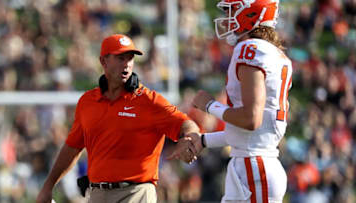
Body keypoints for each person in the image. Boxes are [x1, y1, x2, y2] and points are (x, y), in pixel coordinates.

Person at [36, 34, 199, 203]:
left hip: (137, 193)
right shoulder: (87, 102)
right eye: (121, 58)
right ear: (103, 62)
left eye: (130, 59)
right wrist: (48, 186)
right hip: (98, 193)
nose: (127, 64)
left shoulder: (149, 101)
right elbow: (72, 148)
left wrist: (188, 137)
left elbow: (186, 123)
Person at [186, 0, 293, 202]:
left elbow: (251, 120)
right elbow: (246, 135)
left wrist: (210, 105)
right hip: (251, 165)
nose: (227, 18)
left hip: (254, 168)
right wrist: (203, 140)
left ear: (252, 14)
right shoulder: (269, 52)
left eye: (232, 10)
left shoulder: (251, 49)